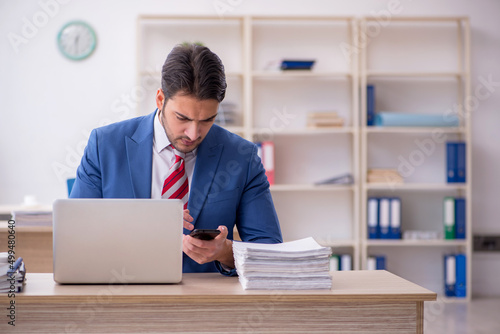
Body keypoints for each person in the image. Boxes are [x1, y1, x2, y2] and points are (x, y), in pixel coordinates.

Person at [70, 44, 282, 275]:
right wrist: (148, 223)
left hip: (206, 302)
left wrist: (225, 252)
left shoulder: (242, 156)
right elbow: (77, 236)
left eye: (207, 120)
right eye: (182, 118)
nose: (193, 133)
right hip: (121, 293)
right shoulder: (105, 145)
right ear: (160, 99)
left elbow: (270, 250)